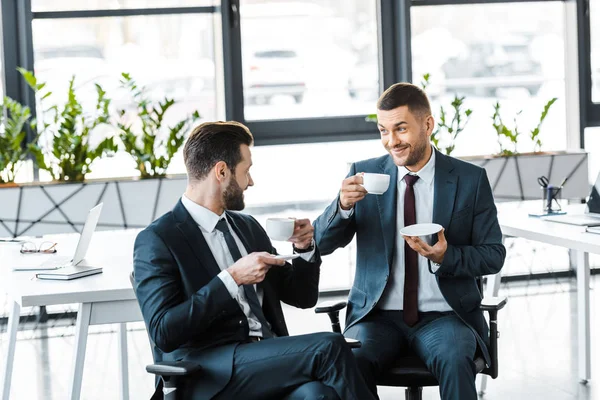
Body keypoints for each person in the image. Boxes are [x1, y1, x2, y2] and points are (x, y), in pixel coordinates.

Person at [133, 121, 374, 400]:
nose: (251, 182)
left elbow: (302, 297)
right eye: (246, 171)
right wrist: (231, 278)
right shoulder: (158, 239)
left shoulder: (247, 227)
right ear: (221, 171)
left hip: (266, 359)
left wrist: (305, 248)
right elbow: (164, 331)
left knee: (319, 395)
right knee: (329, 347)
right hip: (210, 370)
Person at [313, 83, 506, 400]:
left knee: (456, 360)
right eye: (383, 130)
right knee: (348, 363)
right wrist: (342, 206)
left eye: (401, 129)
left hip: (446, 316)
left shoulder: (469, 179)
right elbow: (321, 244)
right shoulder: (364, 175)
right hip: (376, 318)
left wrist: (446, 256)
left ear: (428, 124)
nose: (391, 141)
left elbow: (493, 255)